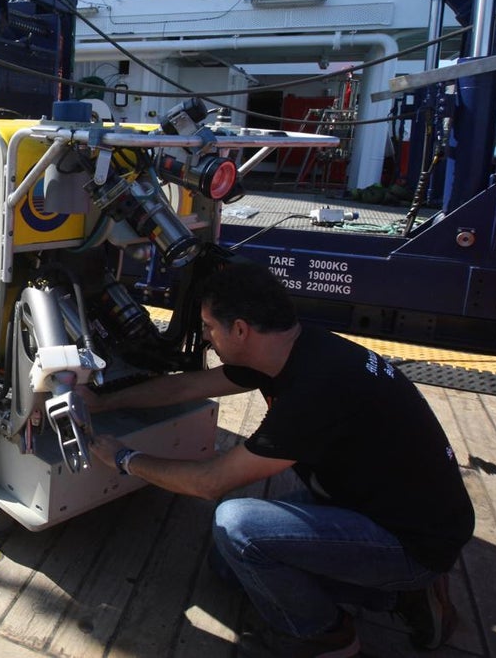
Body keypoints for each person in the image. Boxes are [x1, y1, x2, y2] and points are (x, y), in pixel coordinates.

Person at [83, 261, 474, 658]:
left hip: (412, 541)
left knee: (238, 527)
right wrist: (105, 401)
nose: (205, 337)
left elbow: (209, 483)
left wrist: (125, 458)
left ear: (240, 329)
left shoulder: (314, 391)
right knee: (229, 564)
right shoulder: (293, 348)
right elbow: (186, 385)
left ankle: (329, 635)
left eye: (208, 327)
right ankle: (403, 599)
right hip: (377, 505)